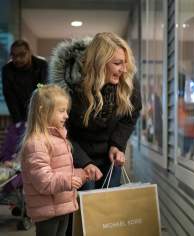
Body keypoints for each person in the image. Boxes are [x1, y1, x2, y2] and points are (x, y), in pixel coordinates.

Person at [49, 32, 142, 189]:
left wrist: (117, 145)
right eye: (118, 63)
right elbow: (60, 131)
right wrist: (84, 162)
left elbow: (131, 115)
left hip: (110, 158)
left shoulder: (127, 81)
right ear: (100, 62)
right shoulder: (69, 88)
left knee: (109, 209)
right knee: (85, 208)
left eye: (125, 63)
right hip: (75, 157)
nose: (124, 69)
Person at [19, 84, 88, 236]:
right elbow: (43, 181)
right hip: (47, 211)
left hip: (62, 206)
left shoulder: (58, 138)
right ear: (43, 112)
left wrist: (83, 173)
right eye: (61, 111)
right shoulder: (36, 143)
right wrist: (68, 181)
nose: (66, 116)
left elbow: (62, 171)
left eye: (66, 111)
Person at [2, 39, 48, 123]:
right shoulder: (7, 70)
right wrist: (18, 121)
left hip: (41, 110)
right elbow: (9, 96)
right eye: (14, 55)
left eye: (22, 55)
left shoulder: (41, 65)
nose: (17, 59)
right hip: (19, 111)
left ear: (30, 52)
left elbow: (42, 87)